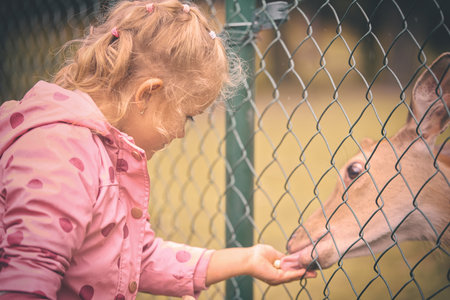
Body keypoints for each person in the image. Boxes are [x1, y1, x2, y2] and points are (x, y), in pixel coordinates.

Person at [0, 0, 315, 299]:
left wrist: (245, 260)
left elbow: (136, 258)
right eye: (187, 116)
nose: (180, 133)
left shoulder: (102, 148)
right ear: (147, 94)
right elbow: (27, 281)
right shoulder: (59, 153)